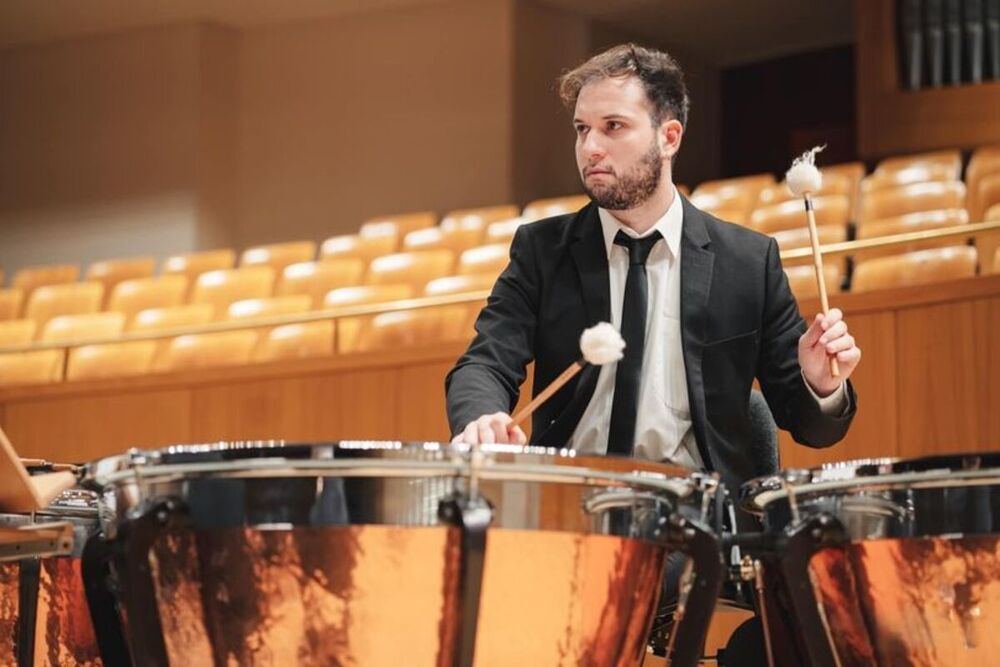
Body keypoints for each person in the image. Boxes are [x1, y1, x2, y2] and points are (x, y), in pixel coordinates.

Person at [445, 43, 860, 498]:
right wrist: (481, 417)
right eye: (582, 129)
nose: (590, 147)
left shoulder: (747, 262)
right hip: (571, 506)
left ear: (670, 137)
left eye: (613, 127)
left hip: (697, 519)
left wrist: (821, 386)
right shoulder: (543, 250)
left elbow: (812, 428)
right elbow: (486, 361)